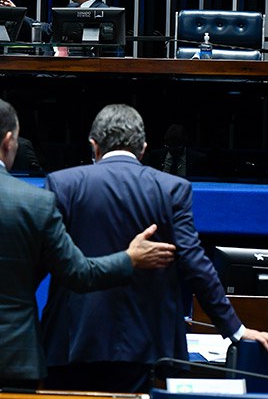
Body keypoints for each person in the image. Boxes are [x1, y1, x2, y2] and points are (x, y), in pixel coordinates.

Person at [0, 95, 176, 389]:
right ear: (9, 141)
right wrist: (129, 258)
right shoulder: (37, 203)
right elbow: (79, 274)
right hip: (16, 359)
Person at [42, 104, 268, 393]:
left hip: (71, 342)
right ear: (144, 149)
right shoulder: (171, 188)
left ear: (93, 145)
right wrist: (236, 329)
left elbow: (43, 260)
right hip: (142, 346)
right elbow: (195, 264)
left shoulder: (62, 185)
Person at [143, 123, 210, 178]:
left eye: (177, 147)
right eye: (170, 146)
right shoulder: (155, 157)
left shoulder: (198, 160)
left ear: (184, 143)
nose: (173, 151)